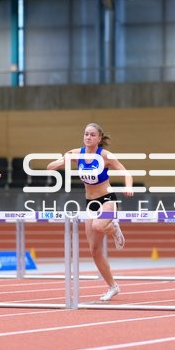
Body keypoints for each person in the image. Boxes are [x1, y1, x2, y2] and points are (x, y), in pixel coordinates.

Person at [47, 122, 133, 302]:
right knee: (94, 251)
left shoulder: (105, 156)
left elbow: (126, 173)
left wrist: (129, 187)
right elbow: (51, 167)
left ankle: (113, 228)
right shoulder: (77, 154)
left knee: (98, 224)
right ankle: (113, 286)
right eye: (86, 134)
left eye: (92, 135)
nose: (88, 137)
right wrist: (61, 161)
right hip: (90, 202)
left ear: (99, 138)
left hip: (108, 199)